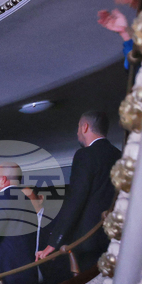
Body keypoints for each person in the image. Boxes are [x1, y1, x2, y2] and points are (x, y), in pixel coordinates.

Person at [37, 112, 123, 272]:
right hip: (116, 237)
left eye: (78, 127)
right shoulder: (119, 155)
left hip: (89, 241)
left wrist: (53, 243)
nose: (77, 132)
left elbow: (75, 199)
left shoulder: (85, 155)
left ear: (85, 127)